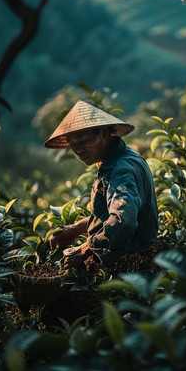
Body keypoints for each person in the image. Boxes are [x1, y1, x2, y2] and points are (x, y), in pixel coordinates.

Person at [44, 100, 159, 273]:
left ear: (104, 133)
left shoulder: (121, 170)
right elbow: (112, 213)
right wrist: (75, 229)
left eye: (84, 141)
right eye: (73, 145)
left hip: (129, 263)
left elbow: (123, 221)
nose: (79, 150)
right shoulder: (115, 160)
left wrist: (84, 250)